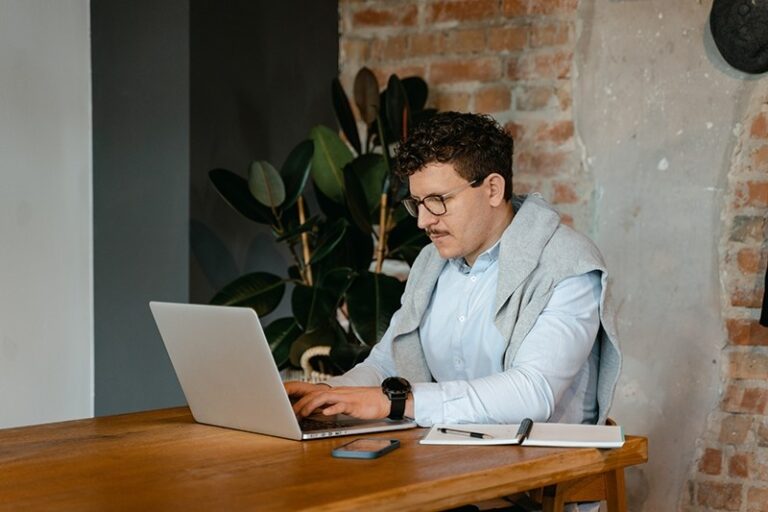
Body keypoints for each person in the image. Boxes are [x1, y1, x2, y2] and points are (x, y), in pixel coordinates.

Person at [286, 111, 621, 427]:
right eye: (417, 203)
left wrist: (398, 402)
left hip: (545, 470)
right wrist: (330, 394)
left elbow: (533, 392)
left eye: (437, 201)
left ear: (493, 189)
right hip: (449, 456)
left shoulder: (568, 264)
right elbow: (388, 362)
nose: (423, 221)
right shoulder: (431, 262)